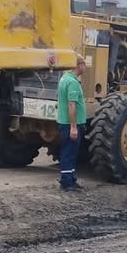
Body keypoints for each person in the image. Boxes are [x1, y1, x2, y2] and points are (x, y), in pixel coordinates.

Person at [57, 53, 87, 191]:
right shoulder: (73, 82)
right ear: (79, 65)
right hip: (70, 124)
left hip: (65, 123)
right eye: (84, 64)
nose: (85, 67)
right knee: (69, 152)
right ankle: (67, 182)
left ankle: (71, 178)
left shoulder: (64, 78)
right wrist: (73, 127)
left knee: (70, 151)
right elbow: (71, 104)